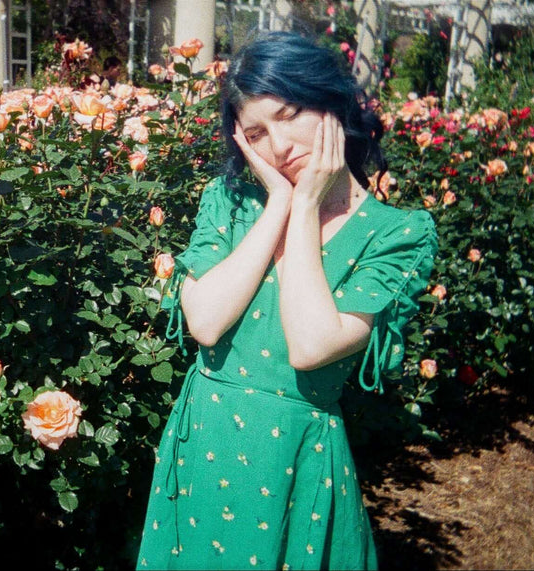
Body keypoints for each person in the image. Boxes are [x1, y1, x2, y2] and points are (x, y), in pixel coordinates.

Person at [137, 32, 438, 570]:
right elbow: (204, 323)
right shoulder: (228, 202)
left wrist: (305, 209)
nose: (278, 146)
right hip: (204, 448)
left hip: (295, 462)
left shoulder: (397, 233)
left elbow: (311, 344)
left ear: (331, 101)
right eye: (256, 132)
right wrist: (279, 200)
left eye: (290, 112)